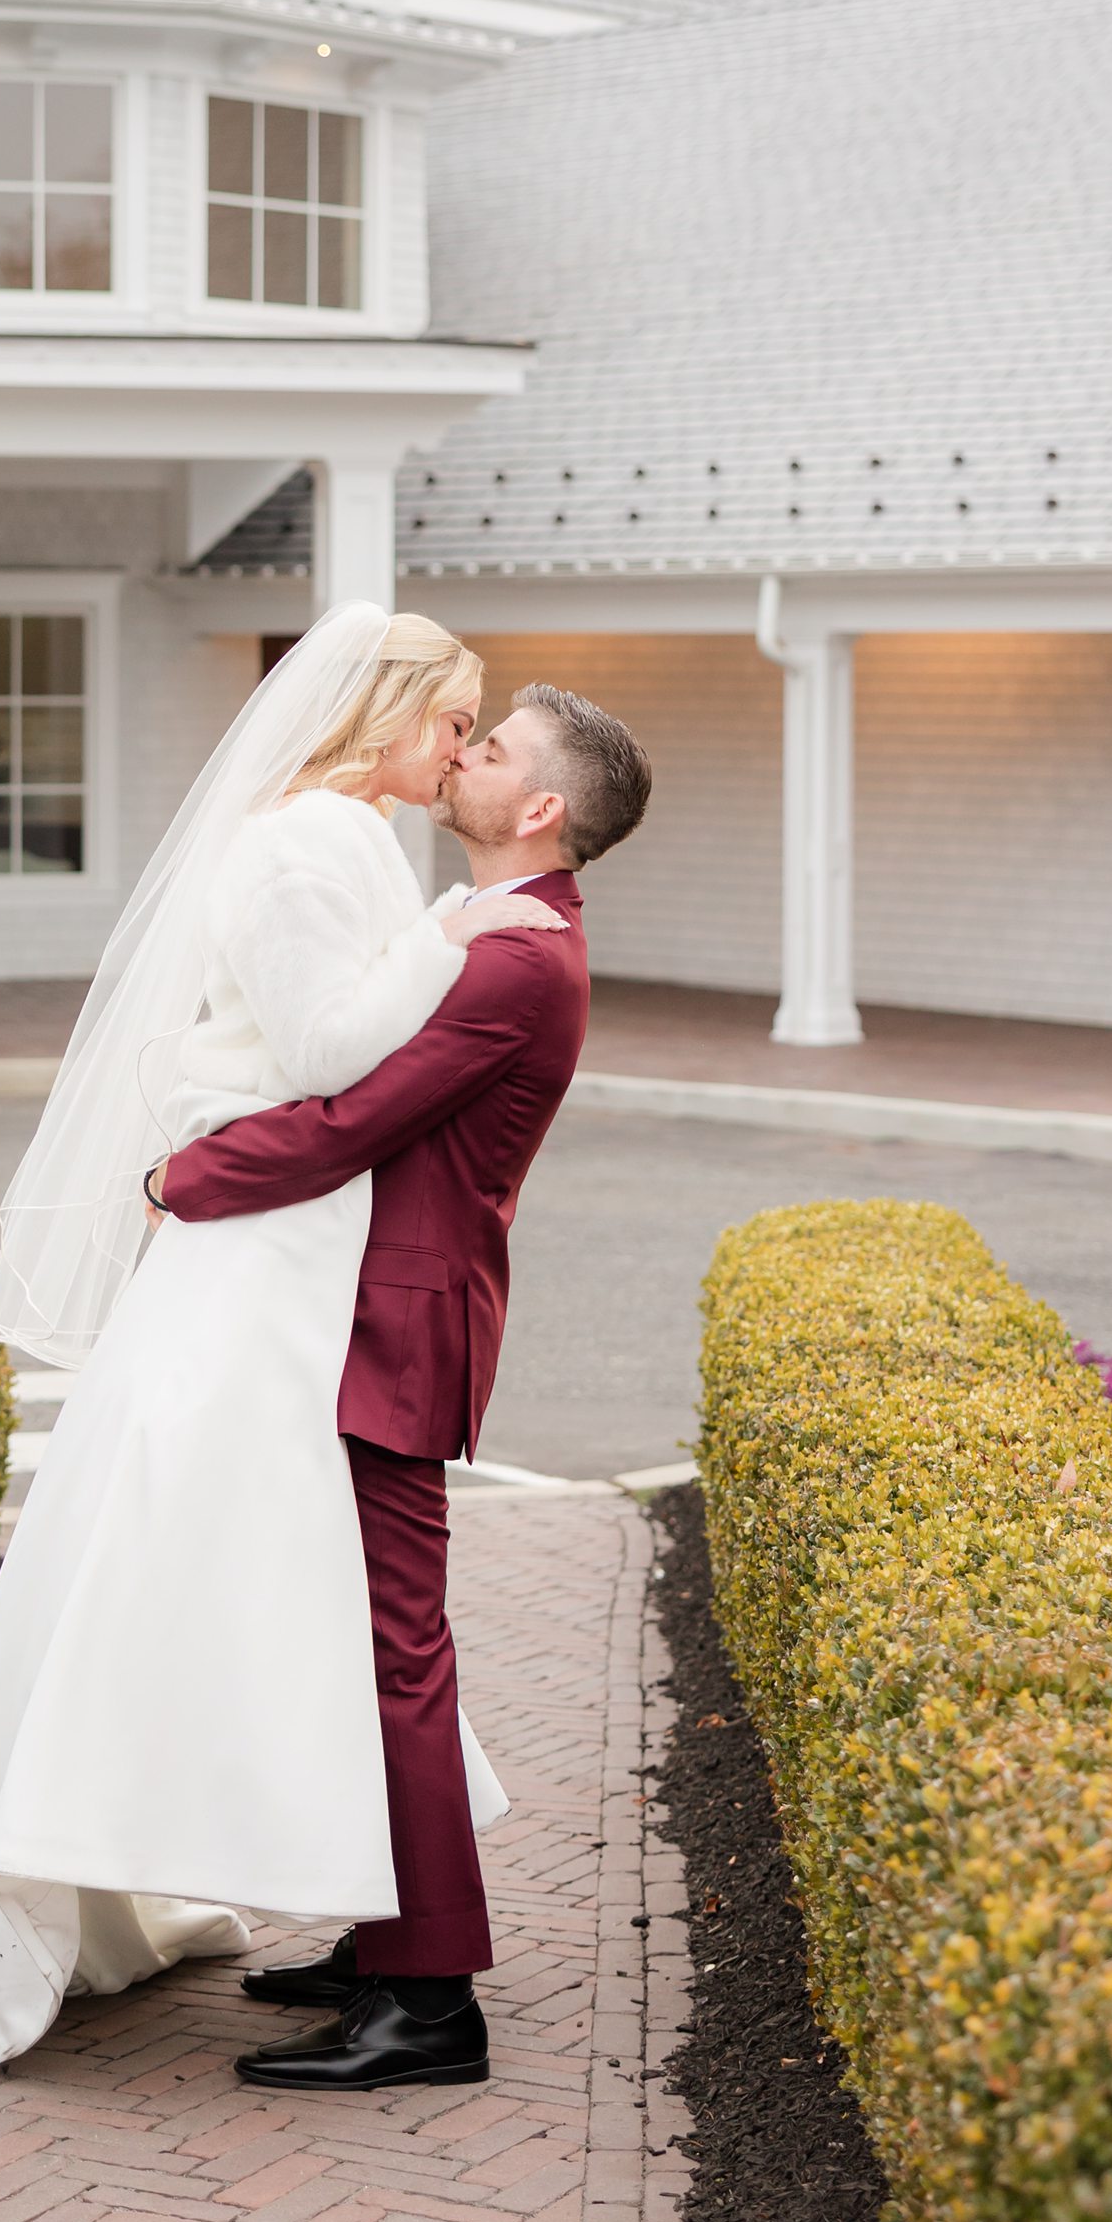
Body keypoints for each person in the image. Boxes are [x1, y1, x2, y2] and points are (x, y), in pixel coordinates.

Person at [0, 607, 561, 2071]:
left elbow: (340, 1045)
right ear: (386, 714)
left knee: (288, 1581)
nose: (462, 750)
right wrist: (455, 935)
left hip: (301, 1253)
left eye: (479, 733)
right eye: (451, 723)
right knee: (206, 1555)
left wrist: (432, 936)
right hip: (264, 1256)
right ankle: (273, 1891)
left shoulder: (350, 840)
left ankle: (363, 1907)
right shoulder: (304, 844)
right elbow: (339, 1056)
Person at [151, 682, 653, 2094]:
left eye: (492, 752)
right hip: (362, 1317)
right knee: (355, 1642)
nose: (464, 753)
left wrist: (175, 1178)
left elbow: (349, 1123)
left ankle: (431, 2001)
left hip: (398, 1332)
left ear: (541, 807)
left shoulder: (520, 962)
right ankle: (386, 1944)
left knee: (396, 1659)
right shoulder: (494, 934)